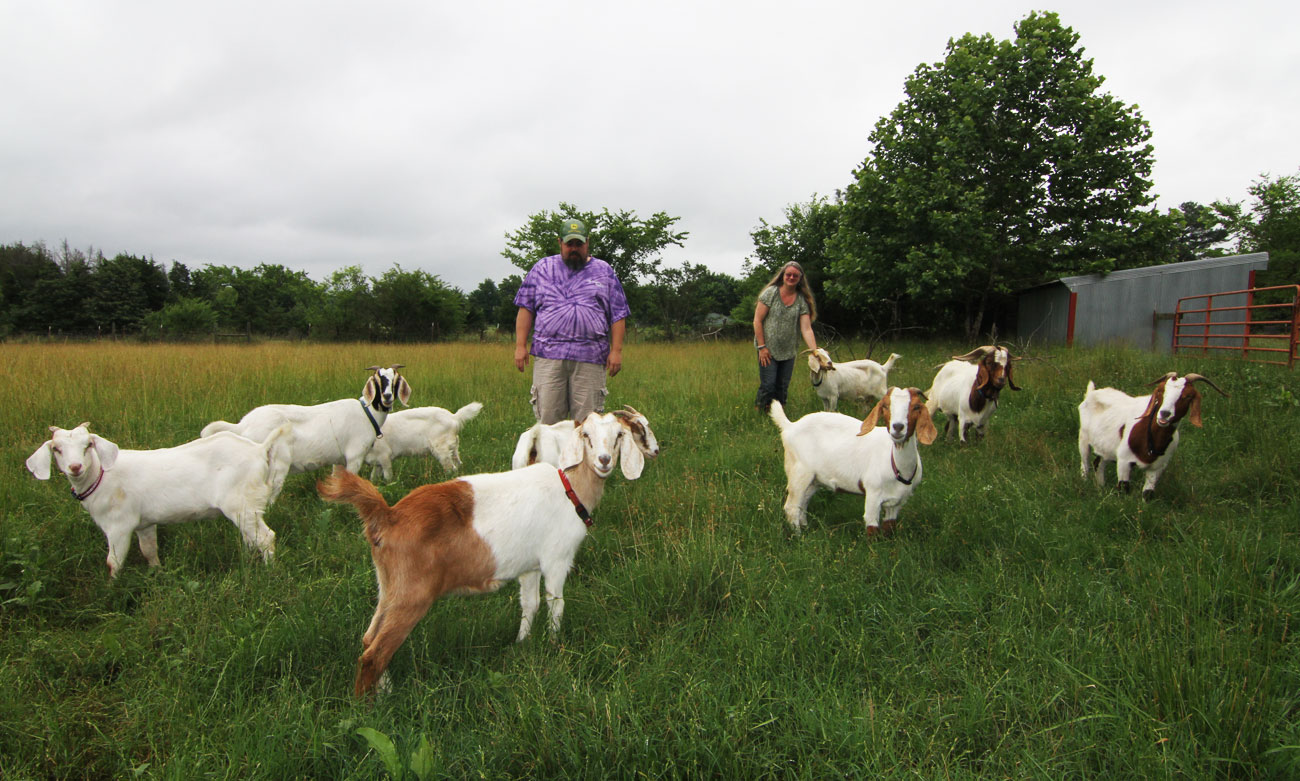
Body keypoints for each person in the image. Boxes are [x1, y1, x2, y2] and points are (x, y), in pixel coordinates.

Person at [514, 218, 630, 424]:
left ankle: (583, 458)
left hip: (591, 358)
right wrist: (520, 346)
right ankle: (549, 458)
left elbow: (618, 314)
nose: (574, 249)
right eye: (569, 244)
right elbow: (525, 308)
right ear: (560, 243)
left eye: (579, 244)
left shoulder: (604, 271)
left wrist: (617, 351)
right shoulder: (542, 268)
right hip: (548, 356)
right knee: (548, 424)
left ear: (587, 242)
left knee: (588, 426)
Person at [752, 261, 818, 412]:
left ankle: (779, 416)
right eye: (788, 274)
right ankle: (760, 413)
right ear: (783, 276)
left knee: (782, 387)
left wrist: (815, 351)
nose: (791, 277)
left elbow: (806, 328)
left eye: (795, 275)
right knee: (768, 385)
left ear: (800, 278)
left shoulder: (802, 300)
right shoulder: (771, 293)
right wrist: (762, 347)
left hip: (788, 350)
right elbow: (757, 320)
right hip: (767, 349)